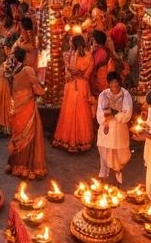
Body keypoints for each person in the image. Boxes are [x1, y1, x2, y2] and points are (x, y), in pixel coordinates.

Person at [5, 46, 47, 179]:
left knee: (18, 133)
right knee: (28, 135)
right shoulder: (28, 69)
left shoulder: (13, 70)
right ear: (26, 56)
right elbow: (36, 87)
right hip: (27, 106)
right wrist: (43, 90)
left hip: (16, 105)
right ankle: (27, 165)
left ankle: (15, 164)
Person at [53, 35, 96, 152]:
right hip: (81, 85)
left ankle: (68, 140)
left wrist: (73, 72)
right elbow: (87, 74)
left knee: (70, 111)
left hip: (72, 85)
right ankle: (82, 140)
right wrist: (79, 73)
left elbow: (68, 71)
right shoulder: (88, 56)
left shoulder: (70, 55)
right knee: (81, 111)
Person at [96, 71, 133, 183]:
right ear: (108, 85)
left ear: (119, 84)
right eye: (111, 85)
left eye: (116, 85)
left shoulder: (125, 95)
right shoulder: (103, 94)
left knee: (119, 154)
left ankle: (118, 176)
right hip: (106, 127)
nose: (114, 88)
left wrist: (113, 114)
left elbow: (127, 114)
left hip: (119, 128)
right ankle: (104, 175)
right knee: (104, 151)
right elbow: (100, 113)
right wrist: (108, 118)